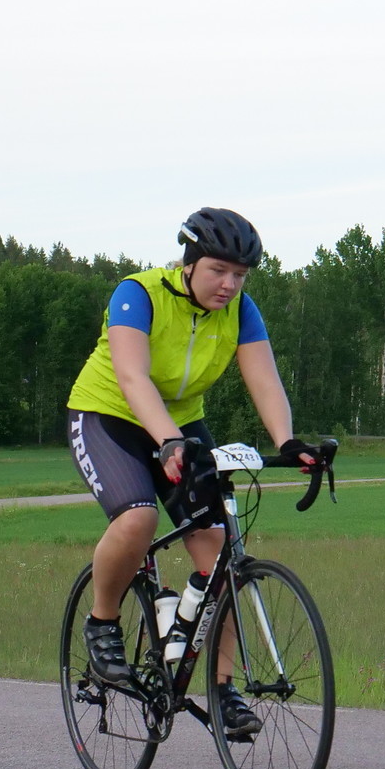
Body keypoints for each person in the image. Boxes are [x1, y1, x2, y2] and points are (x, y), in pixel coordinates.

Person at [65, 207, 319, 739]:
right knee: (137, 519)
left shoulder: (241, 311)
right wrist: (166, 441)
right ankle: (102, 622)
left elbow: (264, 380)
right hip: (108, 416)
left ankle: (222, 689)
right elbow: (132, 377)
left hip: (180, 424)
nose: (229, 285)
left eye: (240, 275)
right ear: (189, 262)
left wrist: (287, 442)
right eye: (218, 271)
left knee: (220, 552)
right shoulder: (138, 295)